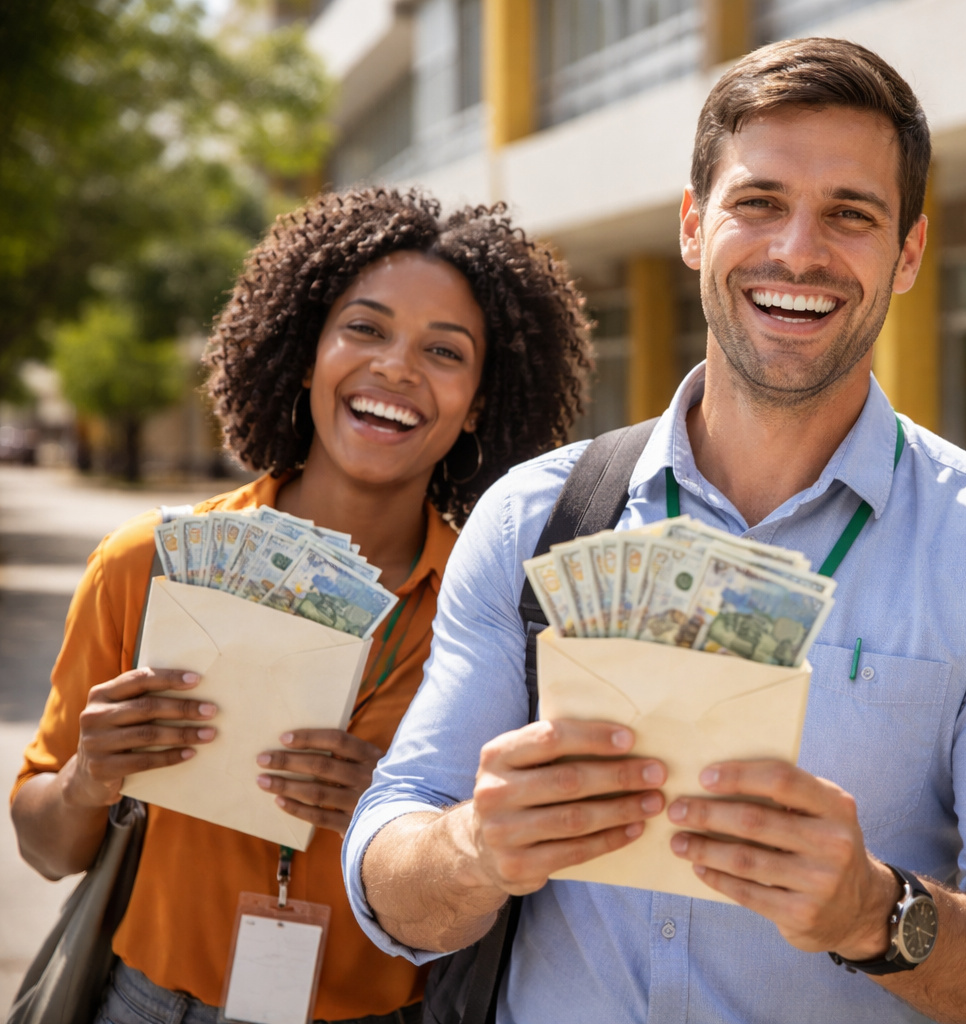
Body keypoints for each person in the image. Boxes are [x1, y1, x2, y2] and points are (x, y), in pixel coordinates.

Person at [342, 37, 966, 1024]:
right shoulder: (533, 518)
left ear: (909, 254)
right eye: (760, 202)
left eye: (851, 214)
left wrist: (879, 913)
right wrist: (473, 847)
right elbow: (388, 867)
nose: (798, 250)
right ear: (694, 225)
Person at [10, 188, 591, 1024]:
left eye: (445, 351)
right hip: (145, 1006)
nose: (395, 367)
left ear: (483, 402)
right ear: (306, 350)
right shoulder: (146, 565)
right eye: (365, 328)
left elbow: (533, 874)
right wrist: (87, 780)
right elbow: (43, 849)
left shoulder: (506, 608)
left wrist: (399, 826)